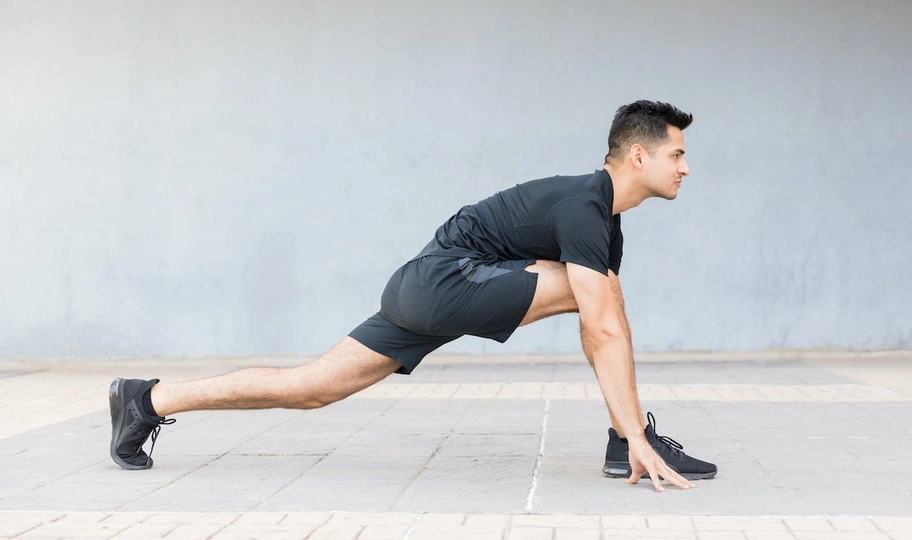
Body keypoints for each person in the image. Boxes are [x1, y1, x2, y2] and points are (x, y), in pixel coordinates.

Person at [109, 100, 717, 492]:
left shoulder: (600, 219)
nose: (685, 167)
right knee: (600, 299)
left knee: (312, 387)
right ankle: (626, 438)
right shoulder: (584, 208)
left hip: (431, 284)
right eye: (677, 153)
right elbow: (603, 327)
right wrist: (636, 431)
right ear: (638, 155)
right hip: (444, 282)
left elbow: (600, 323)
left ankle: (147, 401)